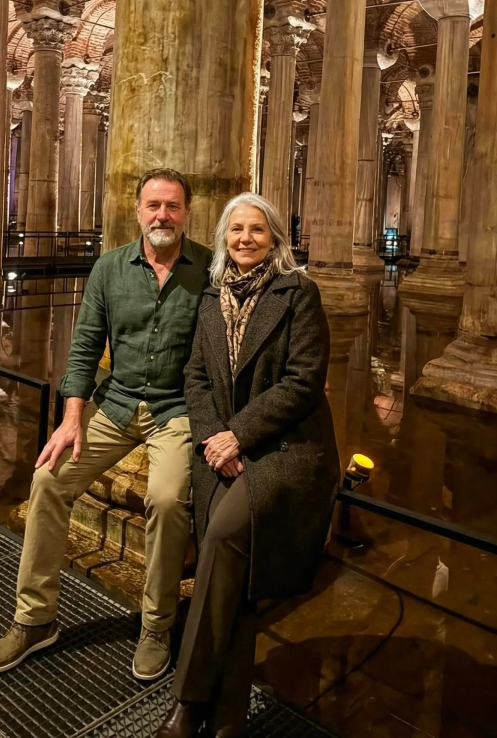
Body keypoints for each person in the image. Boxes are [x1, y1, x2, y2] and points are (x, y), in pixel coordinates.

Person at [0, 169, 213, 682]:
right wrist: (72, 418)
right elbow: (84, 346)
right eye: (154, 205)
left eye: (172, 206)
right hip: (118, 404)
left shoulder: (209, 270)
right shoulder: (109, 268)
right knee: (48, 479)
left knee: (167, 499)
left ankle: (156, 625)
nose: (162, 216)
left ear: (188, 213)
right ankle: (35, 618)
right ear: (137, 210)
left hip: (176, 410)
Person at [157, 193, 339, 738]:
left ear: (275, 237)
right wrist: (215, 437)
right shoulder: (212, 295)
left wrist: (239, 435)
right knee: (230, 580)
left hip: (285, 448)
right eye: (236, 229)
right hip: (225, 447)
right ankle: (228, 717)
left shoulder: (298, 293)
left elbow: (304, 381)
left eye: (257, 229)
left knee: (220, 538)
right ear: (223, 238)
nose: (245, 238)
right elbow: (195, 376)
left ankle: (188, 701)